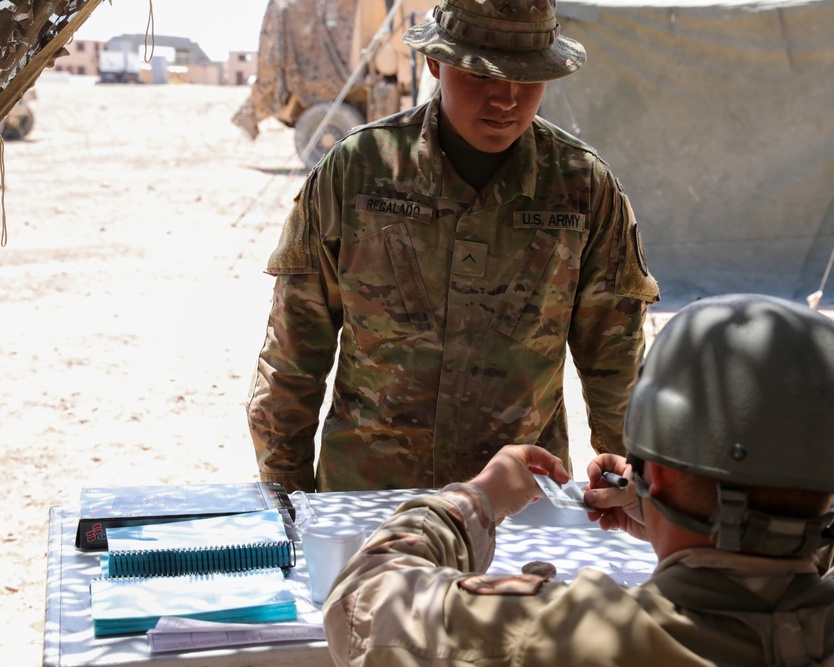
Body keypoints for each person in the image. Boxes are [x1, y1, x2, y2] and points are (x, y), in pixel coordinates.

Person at [321, 293, 834, 665]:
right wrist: (719, 526)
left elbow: (362, 599)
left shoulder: (555, 637)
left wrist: (478, 498)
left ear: (660, 475)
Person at [246, 0, 660, 493]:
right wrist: (288, 499)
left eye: (527, 79)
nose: (506, 99)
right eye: (482, 76)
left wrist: (636, 486)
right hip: (372, 500)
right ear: (435, 63)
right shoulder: (357, 172)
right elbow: (293, 357)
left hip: (519, 506)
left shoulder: (583, 187)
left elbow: (615, 365)